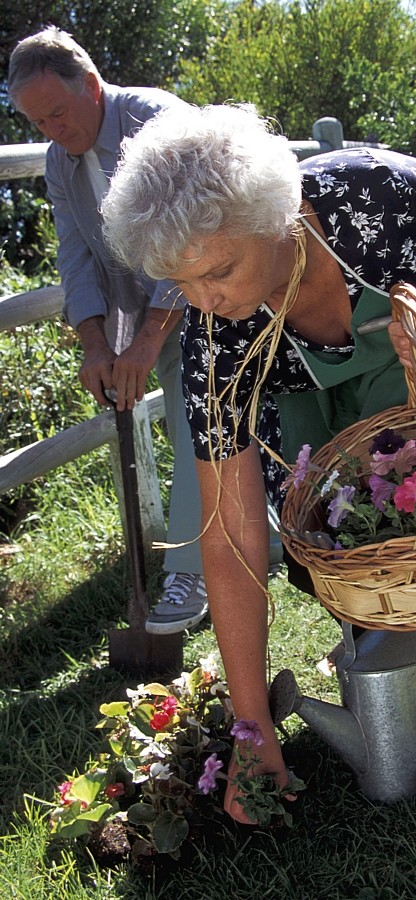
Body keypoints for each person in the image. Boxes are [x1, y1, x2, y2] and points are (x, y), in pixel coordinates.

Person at [100, 103, 416, 822]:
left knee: (410, 491)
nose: (206, 303)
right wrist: (251, 729)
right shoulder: (216, 346)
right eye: (180, 284)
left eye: (218, 271)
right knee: (318, 520)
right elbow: (229, 537)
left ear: (276, 218)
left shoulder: (374, 196)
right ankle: (381, 664)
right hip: (309, 368)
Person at [6, 27, 210, 634]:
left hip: (219, 289)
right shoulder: (58, 162)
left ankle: (191, 572)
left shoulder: (158, 121)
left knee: (195, 417)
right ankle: (248, 535)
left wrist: (146, 342)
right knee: (191, 423)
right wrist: (96, 344)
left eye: (58, 113)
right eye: (37, 122)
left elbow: (197, 233)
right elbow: (75, 258)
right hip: (155, 307)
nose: (51, 131)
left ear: (92, 86)